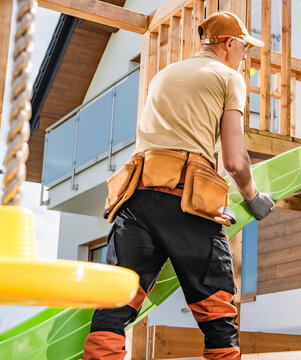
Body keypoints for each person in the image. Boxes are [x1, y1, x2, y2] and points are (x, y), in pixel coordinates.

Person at [83, 11, 276, 360]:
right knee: (217, 310)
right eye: (244, 47)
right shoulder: (228, 77)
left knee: (116, 301)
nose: (245, 56)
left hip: (136, 198)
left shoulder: (164, 74)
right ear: (229, 43)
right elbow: (234, 159)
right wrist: (253, 196)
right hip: (187, 201)